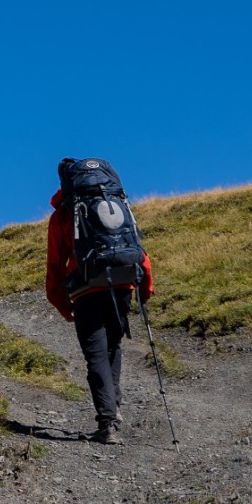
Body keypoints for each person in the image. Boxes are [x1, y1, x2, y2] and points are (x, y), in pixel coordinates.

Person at [45, 158, 153, 443]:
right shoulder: (116, 202)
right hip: (122, 284)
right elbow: (136, 246)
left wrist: (61, 304)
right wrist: (144, 288)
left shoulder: (64, 215)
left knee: (96, 355)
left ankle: (107, 424)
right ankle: (114, 407)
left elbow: (55, 266)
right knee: (113, 345)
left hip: (85, 291)